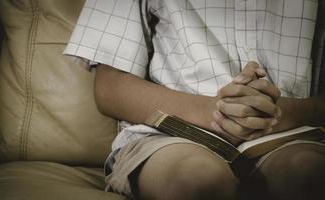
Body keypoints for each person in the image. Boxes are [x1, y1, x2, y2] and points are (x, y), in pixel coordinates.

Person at [64, 0, 325, 199]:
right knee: (196, 182)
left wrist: (276, 114)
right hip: (168, 136)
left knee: (308, 176)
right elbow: (110, 88)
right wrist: (216, 112)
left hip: (294, 134)